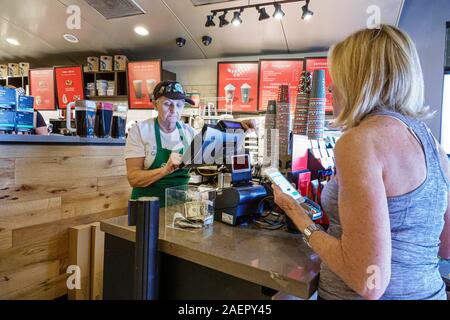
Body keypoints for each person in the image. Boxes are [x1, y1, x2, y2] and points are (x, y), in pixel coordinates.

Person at [273, 25, 450, 300]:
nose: (331, 88)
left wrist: (299, 216)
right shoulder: (431, 143)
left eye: (338, 77)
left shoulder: (359, 142)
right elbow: (446, 247)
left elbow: (369, 282)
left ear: (359, 81)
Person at [125, 81, 254, 206]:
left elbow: (219, 151)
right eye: (167, 103)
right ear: (155, 104)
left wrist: (239, 130)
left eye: (179, 105)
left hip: (178, 205)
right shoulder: (140, 131)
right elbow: (133, 179)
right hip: (146, 206)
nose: (173, 109)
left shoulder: (189, 132)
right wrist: (165, 170)